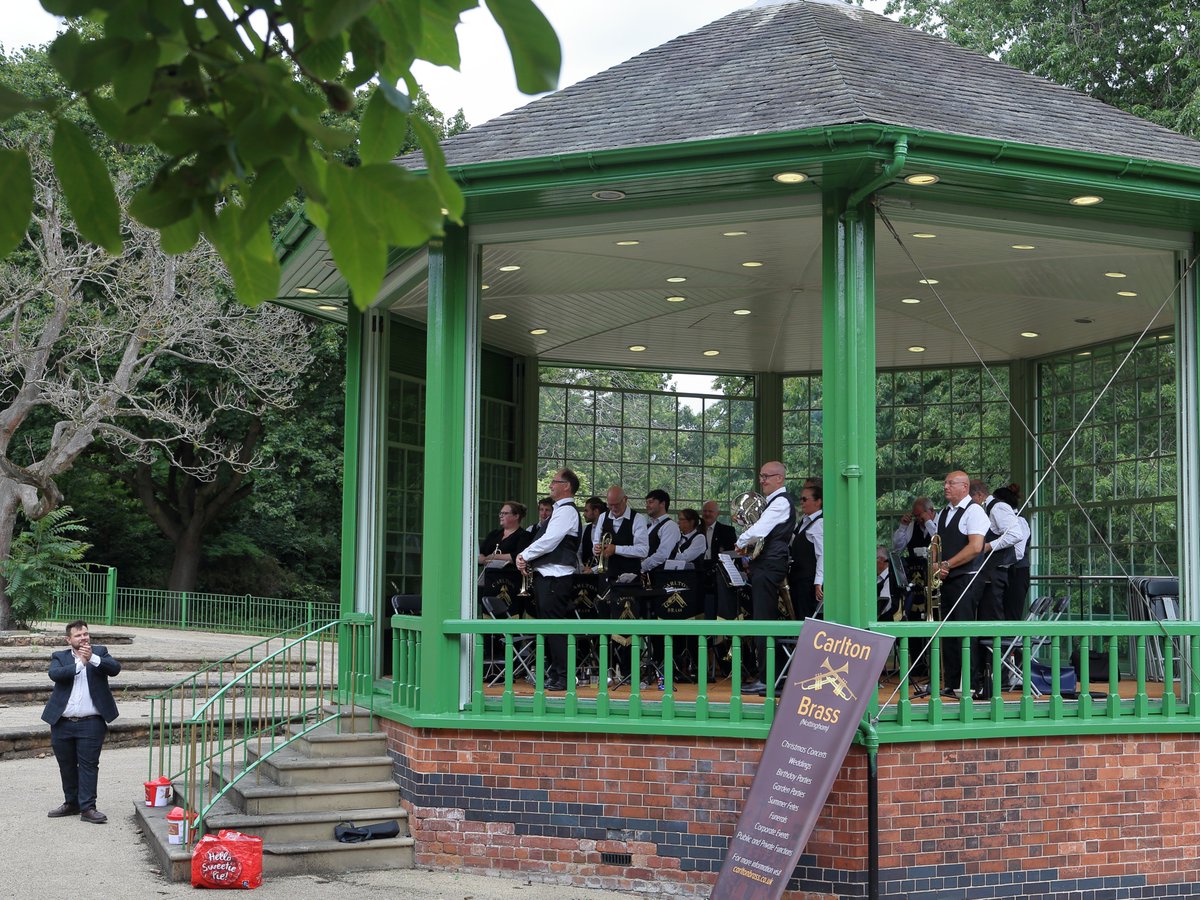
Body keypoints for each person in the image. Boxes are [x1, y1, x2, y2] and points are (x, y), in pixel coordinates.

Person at [41, 620, 121, 824]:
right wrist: (80, 664)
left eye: (85, 634)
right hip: (62, 722)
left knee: (89, 765)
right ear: (69, 640)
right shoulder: (60, 657)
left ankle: (88, 808)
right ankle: (71, 803)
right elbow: (55, 674)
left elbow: (115, 668)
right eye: (78, 635)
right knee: (66, 765)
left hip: (91, 722)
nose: (83, 638)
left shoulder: (100, 652)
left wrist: (92, 658)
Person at [733, 461, 795, 695]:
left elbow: (760, 529)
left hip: (769, 566)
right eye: (761, 476)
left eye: (766, 476)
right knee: (765, 619)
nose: (762, 480)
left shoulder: (780, 502)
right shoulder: (775, 502)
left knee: (763, 621)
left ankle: (769, 679)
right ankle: (771, 677)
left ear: (780, 478)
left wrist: (740, 542)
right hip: (767, 565)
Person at [516, 470, 581, 691]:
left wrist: (525, 555)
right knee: (549, 627)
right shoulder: (560, 510)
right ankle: (555, 674)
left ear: (567, 486)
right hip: (549, 576)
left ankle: (564, 676)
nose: (551, 485)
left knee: (555, 627)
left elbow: (551, 540)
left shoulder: (567, 511)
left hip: (556, 577)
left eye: (555, 481)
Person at [934, 471, 989, 699]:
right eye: (945, 483)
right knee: (947, 632)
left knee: (965, 631)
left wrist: (947, 564)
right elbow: (936, 544)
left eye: (951, 483)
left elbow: (975, 547)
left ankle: (971, 684)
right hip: (947, 579)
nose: (945, 487)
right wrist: (936, 564)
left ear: (964, 487)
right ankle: (952, 682)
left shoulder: (974, 511)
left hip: (967, 578)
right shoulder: (943, 513)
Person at [592, 486, 649, 584]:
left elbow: (643, 550)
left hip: (630, 578)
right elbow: (596, 542)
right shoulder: (602, 517)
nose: (613, 508)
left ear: (625, 499)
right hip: (606, 575)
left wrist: (615, 549)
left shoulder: (638, 519)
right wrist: (596, 549)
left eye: (617, 504)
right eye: (610, 505)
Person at [993, 485, 1031, 620]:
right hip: (1007, 572)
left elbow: (1018, 552)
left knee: (1012, 613)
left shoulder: (1019, 521)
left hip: (1017, 572)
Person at [787, 482, 824, 619]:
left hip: (808, 582)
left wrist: (818, 582)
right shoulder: (804, 521)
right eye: (800, 499)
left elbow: (822, 554)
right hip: (798, 580)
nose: (801, 502)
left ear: (818, 501)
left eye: (805, 499)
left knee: (806, 617)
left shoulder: (820, 523)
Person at [478, 501, 533, 565]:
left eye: (505, 513)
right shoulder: (494, 534)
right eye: (500, 513)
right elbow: (480, 552)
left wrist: (494, 557)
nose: (501, 516)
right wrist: (482, 560)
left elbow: (520, 556)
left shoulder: (524, 535)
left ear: (516, 516)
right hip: (488, 571)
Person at [641, 489, 681, 575]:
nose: (647, 505)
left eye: (651, 502)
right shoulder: (649, 526)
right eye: (646, 503)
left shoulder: (670, 526)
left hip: (661, 577)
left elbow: (662, 555)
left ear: (662, 504)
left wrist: (640, 567)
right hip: (646, 575)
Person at [578, 496, 606, 571]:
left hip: (603, 573)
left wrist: (593, 570)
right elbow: (578, 552)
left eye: (586, 511)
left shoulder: (608, 530)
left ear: (596, 511)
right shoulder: (584, 529)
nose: (584, 514)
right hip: (584, 573)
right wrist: (582, 567)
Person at [877, 544, 900, 621]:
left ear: (881, 560)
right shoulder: (879, 578)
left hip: (882, 622)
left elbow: (883, 607)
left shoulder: (890, 579)